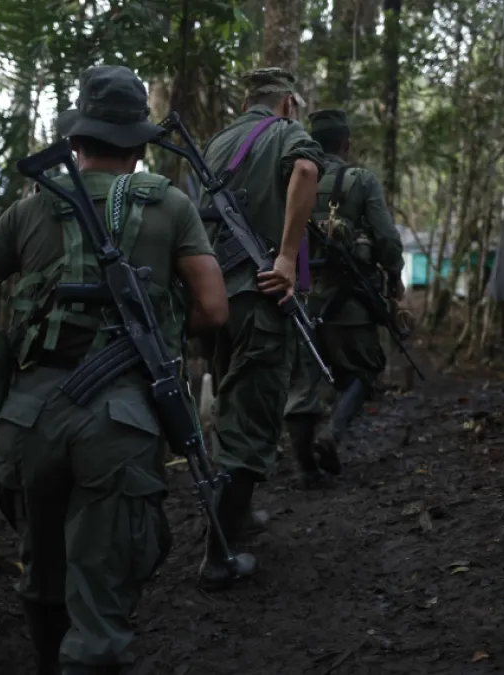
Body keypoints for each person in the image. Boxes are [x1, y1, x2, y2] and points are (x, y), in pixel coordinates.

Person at [0, 65, 229, 675]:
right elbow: (213, 309)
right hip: (123, 420)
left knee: (44, 571)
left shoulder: (31, 209)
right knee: (102, 602)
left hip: (30, 418)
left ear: (76, 141)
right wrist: (153, 319)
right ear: (140, 143)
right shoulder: (173, 206)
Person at [196, 67, 324, 589]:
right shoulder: (287, 133)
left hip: (210, 300)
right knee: (250, 421)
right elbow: (307, 173)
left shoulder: (215, 141)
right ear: (288, 103)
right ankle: (216, 558)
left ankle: (240, 516)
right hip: (258, 295)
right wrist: (289, 256)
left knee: (229, 407)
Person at [283, 109, 404, 488]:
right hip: (349, 300)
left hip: (299, 297)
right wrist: (394, 275)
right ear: (345, 144)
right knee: (364, 371)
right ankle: (331, 433)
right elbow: (384, 236)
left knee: (303, 384)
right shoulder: (359, 180)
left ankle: (305, 470)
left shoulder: (292, 180)